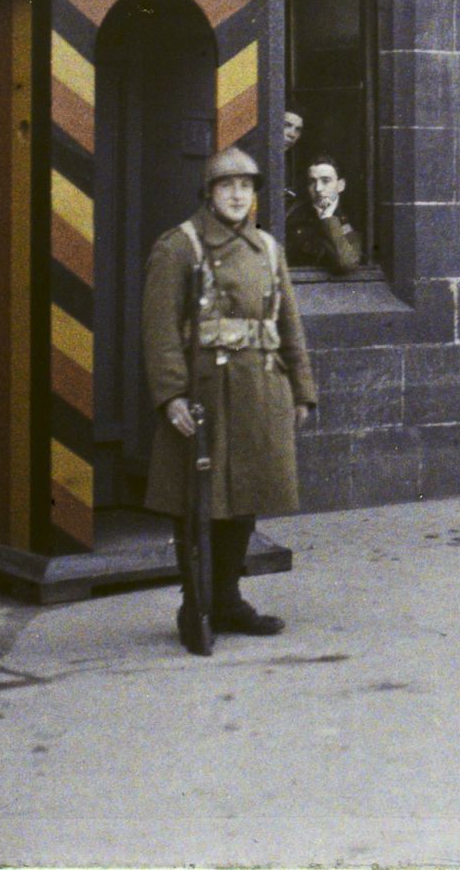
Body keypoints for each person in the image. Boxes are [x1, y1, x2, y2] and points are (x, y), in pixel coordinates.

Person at [141, 146, 317, 653]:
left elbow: (289, 323)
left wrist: (302, 389)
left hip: (261, 389)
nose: (238, 195)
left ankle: (228, 600)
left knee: (246, 498)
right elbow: (159, 330)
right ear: (209, 193)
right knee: (198, 501)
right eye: (227, 186)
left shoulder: (268, 247)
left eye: (246, 186)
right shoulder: (180, 245)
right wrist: (171, 395)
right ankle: (195, 604)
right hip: (206, 395)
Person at [286, 153, 362, 275]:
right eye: (312, 182)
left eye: (325, 181)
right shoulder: (294, 215)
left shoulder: (354, 216)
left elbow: (346, 263)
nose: (318, 188)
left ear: (341, 185)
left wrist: (327, 218)